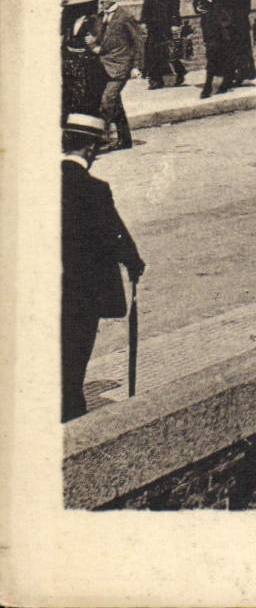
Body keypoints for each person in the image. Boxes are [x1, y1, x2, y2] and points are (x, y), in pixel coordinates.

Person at [61, 113, 145, 420]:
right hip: (81, 292)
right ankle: (72, 415)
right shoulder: (94, 188)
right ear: (91, 150)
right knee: (74, 358)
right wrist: (133, 263)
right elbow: (114, 233)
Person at [91, 0, 141, 151]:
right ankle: (125, 140)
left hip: (120, 66)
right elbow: (100, 40)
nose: (102, 1)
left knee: (107, 101)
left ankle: (102, 138)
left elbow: (138, 42)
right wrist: (93, 44)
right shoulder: (100, 17)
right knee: (115, 104)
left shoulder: (125, 16)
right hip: (103, 66)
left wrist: (136, 66)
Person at [139, 0, 187, 89]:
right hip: (153, 24)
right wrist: (143, 21)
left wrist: (174, 23)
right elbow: (146, 4)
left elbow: (175, 4)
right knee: (152, 51)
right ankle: (156, 80)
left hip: (166, 23)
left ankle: (180, 71)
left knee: (168, 50)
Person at [217, 0, 256, 89]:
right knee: (229, 53)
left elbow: (246, 9)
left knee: (241, 53)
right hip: (229, 28)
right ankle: (231, 76)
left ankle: (241, 76)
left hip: (240, 27)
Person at [62, 14, 107, 123]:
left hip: (89, 64)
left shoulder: (94, 19)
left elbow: (102, 39)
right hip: (72, 64)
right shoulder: (70, 19)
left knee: (95, 100)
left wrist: (94, 41)